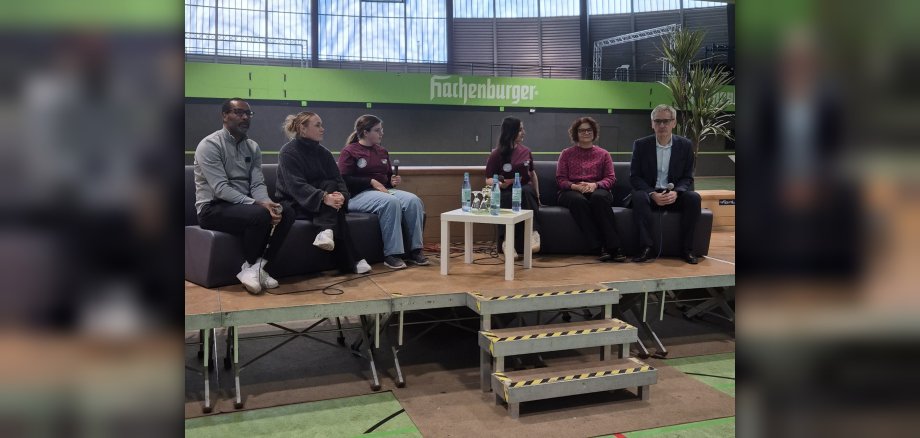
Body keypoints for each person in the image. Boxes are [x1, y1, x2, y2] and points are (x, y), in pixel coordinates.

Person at [194, 98, 294, 294]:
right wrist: (258, 205)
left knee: (286, 211)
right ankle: (249, 266)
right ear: (225, 116)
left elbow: (257, 184)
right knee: (259, 215)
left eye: (248, 113)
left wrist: (268, 204)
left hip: (243, 206)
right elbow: (220, 188)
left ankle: (256, 269)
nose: (245, 117)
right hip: (212, 208)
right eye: (239, 112)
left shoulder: (253, 147)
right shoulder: (210, 145)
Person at [274, 111, 372, 275]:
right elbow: (296, 186)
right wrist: (324, 198)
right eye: (317, 125)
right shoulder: (288, 152)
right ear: (303, 129)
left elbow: (338, 180)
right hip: (294, 202)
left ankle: (326, 232)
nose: (322, 129)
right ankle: (352, 258)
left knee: (331, 185)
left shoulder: (324, 153)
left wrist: (341, 196)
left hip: (322, 201)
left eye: (322, 125)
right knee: (335, 209)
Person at [338, 115, 429, 269]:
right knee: (390, 202)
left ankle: (415, 250)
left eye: (381, 130)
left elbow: (386, 180)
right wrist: (370, 181)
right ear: (366, 132)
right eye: (377, 130)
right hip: (358, 195)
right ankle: (392, 254)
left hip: (382, 192)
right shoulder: (349, 151)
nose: (382, 133)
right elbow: (343, 179)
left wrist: (391, 181)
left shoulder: (382, 151)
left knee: (414, 201)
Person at [629, 104, 702, 264]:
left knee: (694, 198)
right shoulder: (641, 145)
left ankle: (687, 249)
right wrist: (652, 193)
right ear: (652, 124)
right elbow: (634, 177)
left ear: (674, 123)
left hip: (673, 195)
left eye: (666, 121)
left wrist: (677, 192)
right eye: (658, 121)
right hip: (650, 195)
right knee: (638, 197)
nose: (662, 125)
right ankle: (646, 248)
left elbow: (688, 177)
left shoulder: (685, 145)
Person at [556, 117, 626, 262]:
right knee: (578, 201)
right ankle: (600, 247)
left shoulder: (604, 154)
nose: (586, 133)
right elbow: (561, 179)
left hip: (597, 189)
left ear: (594, 132)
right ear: (576, 133)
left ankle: (614, 247)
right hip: (572, 191)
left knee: (598, 198)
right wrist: (575, 187)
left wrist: (595, 185)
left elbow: (611, 178)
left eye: (589, 130)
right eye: (582, 130)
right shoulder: (566, 154)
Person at [484, 116, 542, 257]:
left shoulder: (526, 151)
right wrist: (499, 183)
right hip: (506, 190)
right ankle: (506, 242)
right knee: (504, 198)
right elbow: (488, 179)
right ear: (511, 131)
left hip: (524, 189)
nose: (524, 132)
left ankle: (533, 234)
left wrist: (538, 196)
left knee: (527, 192)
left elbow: (532, 174)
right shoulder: (496, 154)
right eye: (520, 129)